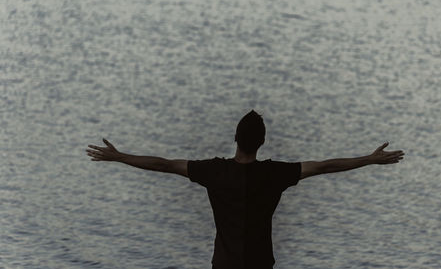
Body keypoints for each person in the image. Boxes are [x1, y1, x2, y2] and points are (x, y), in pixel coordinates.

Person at [86, 109, 404, 269]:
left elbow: (164, 164)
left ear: (235, 139)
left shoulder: (214, 171)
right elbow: (324, 166)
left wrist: (119, 156)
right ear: (262, 142)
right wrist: (369, 159)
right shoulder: (275, 174)